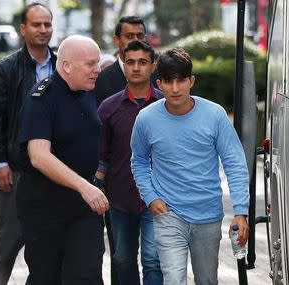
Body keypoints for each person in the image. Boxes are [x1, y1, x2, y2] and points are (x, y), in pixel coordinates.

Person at [130, 48, 250, 284]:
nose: (175, 88)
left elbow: (235, 163)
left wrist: (241, 211)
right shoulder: (146, 119)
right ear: (159, 83)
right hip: (168, 213)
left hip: (208, 214)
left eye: (181, 80)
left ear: (191, 81)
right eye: (169, 81)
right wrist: (150, 196)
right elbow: (139, 160)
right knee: (174, 279)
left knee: (206, 280)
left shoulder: (214, 115)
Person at [16, 35, 108, 284]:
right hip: (44, 206)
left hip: (83, 207)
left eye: (97, 63)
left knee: (86, 274)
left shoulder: (87, 90)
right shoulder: (41, 98)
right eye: (90, 64)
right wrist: (83, 185)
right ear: (67, 66)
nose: (97, 70)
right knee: (47, 277)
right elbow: (39, 156)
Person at [0, 3, 55, 284]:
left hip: (54, 168)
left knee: (49, 243)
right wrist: (0, 161)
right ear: (23, 28)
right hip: (17, 168)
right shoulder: (6, 69)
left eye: (47, 24)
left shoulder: (63, 65)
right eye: (36, 25)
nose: (43, 30)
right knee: (10, 240)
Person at [96, 40, 163, 285]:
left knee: (153, 259)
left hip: (158, 199)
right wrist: (97, 187)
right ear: (123, 65)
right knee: (122, 259)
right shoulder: (108, 108)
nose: (136, 68)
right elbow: (102, 156)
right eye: (130, 62)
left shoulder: (165, 105)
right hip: (120, 198)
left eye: (143, 62)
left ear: (153, 66)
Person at [94, 16, 148, 106]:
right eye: (129, 36)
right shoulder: (101, 79)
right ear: (116, 40)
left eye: (140, 36)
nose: (136, 41)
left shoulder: (158, 75)